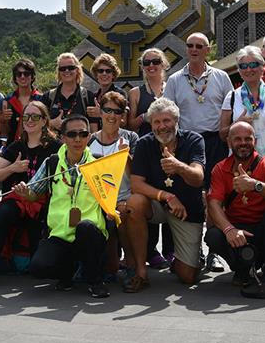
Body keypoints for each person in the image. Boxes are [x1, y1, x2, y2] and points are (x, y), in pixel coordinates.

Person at [17, 115, 111, 299]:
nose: (77, 139)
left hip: (91, 231)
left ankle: (95, 280)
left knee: (85, 229)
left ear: (89, 136)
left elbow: (111, 198)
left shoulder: (99, 164)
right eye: (72, 134)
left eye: (83, 134)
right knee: (38, 268)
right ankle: (67, 273)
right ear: (63, 138)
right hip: (60, 233)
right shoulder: (52, 163)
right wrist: (24, 193)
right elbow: (33, 192)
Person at [164, 32, 233, 272]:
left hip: (215, 142)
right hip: (187, 143)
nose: (193, 49)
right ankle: (192, 252)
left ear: (207, 50)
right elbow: (167, 113)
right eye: (190, 45)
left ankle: (214, 251)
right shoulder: (174, 80)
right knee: (189, 196)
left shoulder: (222, 77)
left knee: (215, 196)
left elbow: (229, 111)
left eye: (199, 46)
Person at [125, 98, 206, 291]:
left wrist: (179, 167)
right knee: (134, 203)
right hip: (158, 205)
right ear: (151, 124)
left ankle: (185, 258)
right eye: (157, 122)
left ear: (176, 121)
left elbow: (198, 178)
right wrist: (166, 196)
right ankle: (140, 273)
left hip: (186, 209)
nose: (162, 126)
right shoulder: (145, 144)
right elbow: (136, 184)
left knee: (187, 277)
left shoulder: (194, 140)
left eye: (167, 121)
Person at [0, 101, 60, 289]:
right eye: (26, 117)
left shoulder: (56, 147)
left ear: (44, 121)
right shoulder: (16, 146)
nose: (30, 120)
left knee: (37, 235)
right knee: (3, 214)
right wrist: (13, 168)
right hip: (17, 198)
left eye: (35, 117)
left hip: (43, 200)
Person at [206, 122, 265, 297]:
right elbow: (214, 204)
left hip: (263, 229)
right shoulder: (220, 168)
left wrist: (256, 185)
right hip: (237, 228)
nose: (243, 143)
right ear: (229, 142)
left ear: (255, 141)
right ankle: (242, 269)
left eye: (247, 139)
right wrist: (229, 229)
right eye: (237, 139)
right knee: (213, 235)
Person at [127, 48, 175, 269]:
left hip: (171, 148)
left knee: (173, 193)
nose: (151, 66)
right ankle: (151, 250)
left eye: (155, 61)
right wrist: (145, 116)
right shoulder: (136, 93)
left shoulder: (172, 87)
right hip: (146, 150)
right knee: (150, 197)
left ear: (163, 64)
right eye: (146, 62)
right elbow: (130, 124)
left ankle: (172, 249)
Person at [220, 46, 265, 179]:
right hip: (241, 160)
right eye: (243, 66)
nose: (248, 69)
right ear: (239, 70)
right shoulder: (231, 97)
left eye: (253, 64)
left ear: (262, 67)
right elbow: (222, 135)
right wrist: (236, 124)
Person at [88, 91, 140, 281]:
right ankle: (109, 264)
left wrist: (125, 156)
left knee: (122, 212)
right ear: (100, 112)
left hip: (123, 197)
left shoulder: (131, 137)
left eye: (117, 111)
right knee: (110, 268)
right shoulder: (89, 139)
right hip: (96, 197)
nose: (112, 115)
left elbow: (137, 174)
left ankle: (131, 262)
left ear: (123, 116)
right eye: (107, 110)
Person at [42, 52, 97, 132]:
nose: (66, 71)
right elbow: (37, 124)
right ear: (59, 72)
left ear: (77, 70)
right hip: (53, 144)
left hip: (80, 143)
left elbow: (93, 131)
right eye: (62, 69)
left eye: (71, 68)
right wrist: (52, 123)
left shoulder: (88, 97)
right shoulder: (48, 97)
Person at [2, 59, 43, 143]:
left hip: (37, 144)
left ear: (32, 77)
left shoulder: (41, 99)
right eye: (19, 74)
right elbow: (5, 132)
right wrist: (4, 120)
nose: (22, 77)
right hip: (13, 146)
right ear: (15, 78)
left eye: (26, 74)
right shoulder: (8, 101)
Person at [86, 53, 128, 129]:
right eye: (100, 71)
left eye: (108, 71)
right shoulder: (94, 96)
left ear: (113, 74)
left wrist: (101, 113)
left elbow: (123, 122)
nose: (104, 74)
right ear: (96, 74)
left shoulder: (120, 94)